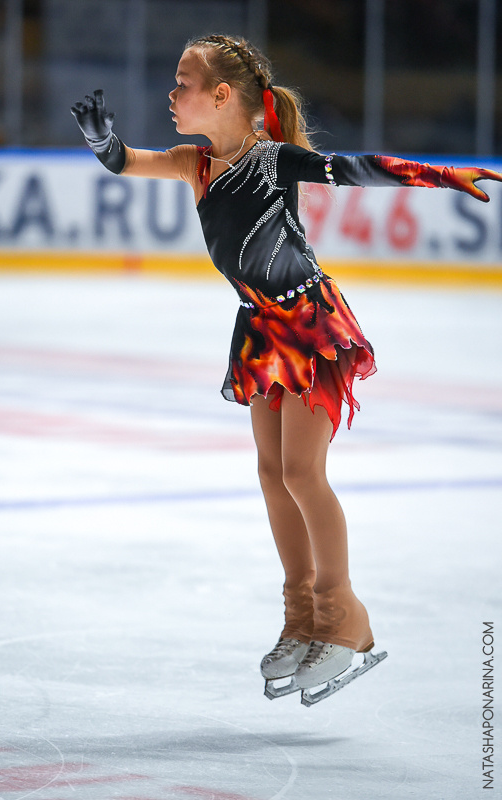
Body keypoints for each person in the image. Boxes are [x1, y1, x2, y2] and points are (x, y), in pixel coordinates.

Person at [71, 33, 502, 699]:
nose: (171, 94)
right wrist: (103, 140)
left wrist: (444, 174)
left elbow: (359, 169)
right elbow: (128, 161)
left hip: (309, 326)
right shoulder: (196, 163)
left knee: (303, 472)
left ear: (220, 97)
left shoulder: (274, 162)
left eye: (182, 83)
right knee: (273, 476)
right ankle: (302, 618)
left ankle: (344, 620)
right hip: (259, 330)